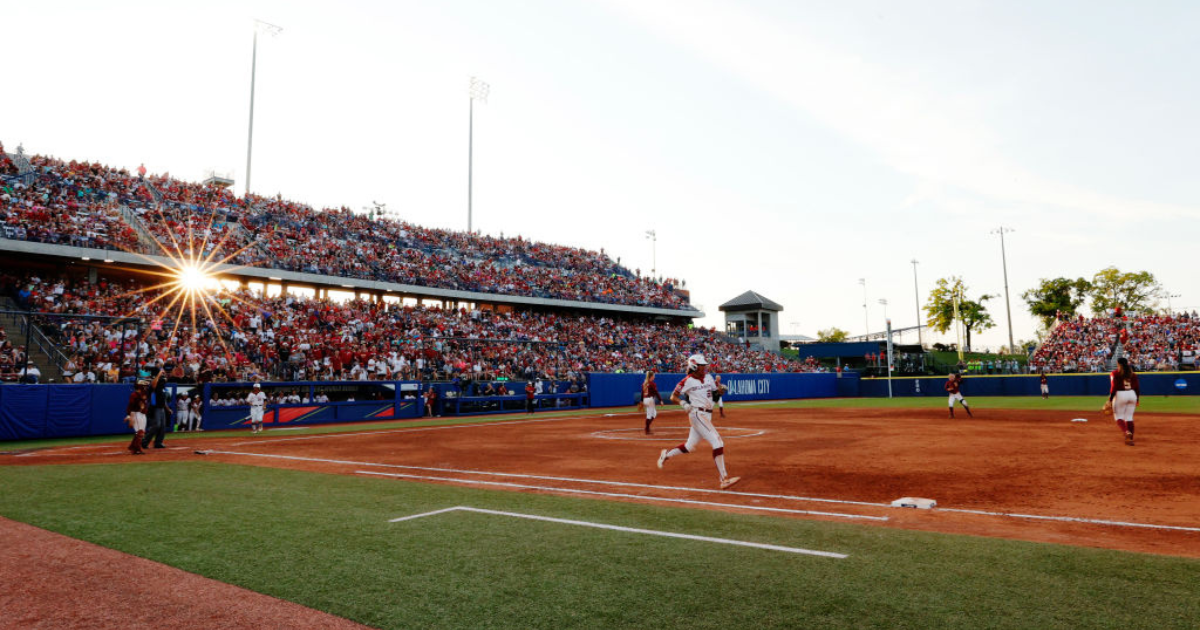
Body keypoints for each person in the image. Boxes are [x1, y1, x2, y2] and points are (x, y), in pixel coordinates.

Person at [657, 354, 740, 490]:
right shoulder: (687, 381)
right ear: (694, 366)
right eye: (702, 365)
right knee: (717, 442)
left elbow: (713, 395)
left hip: (707, 414)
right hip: (697, 414)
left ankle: (666, 455)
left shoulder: (708, 377)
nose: (705, 367)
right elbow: (673, 396)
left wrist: (719, 392)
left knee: (689, 446)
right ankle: (724, 479)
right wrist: (683, 403)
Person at [1106, 357, 1140, 446]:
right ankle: (1130, 439)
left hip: (1120, 395)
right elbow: (1137, 388)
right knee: (1129, 417)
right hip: (1132, 394)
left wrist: (1110, 400)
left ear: (1118, 364)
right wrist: (1137, 399)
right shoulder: (1132, 374)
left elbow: (1113, 387)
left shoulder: (1115, 373)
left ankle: (1126, 432)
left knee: (1119, 417)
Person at [142, 367, 171, 449]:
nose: (163, 381)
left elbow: (163, 400)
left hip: (161, 407)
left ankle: (158, 442)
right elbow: (153, 384)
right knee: (157, 425)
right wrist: (159, 374)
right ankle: (144, 441)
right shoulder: (154, 386)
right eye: (161, 380)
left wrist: (167, 408)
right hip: (155, 408)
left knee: (162, 426)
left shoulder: (162, 389)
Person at [124, 379, 150, 455]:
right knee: (140, 432)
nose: (145, 387)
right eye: (144, 386)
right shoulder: (134, 395)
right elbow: (130, 406)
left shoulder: (144, 393)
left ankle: (133, 447)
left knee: (141, 432)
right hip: (136, 414)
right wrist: (129, 416)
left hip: (143, 414)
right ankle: (137, 449)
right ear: (140, 386)